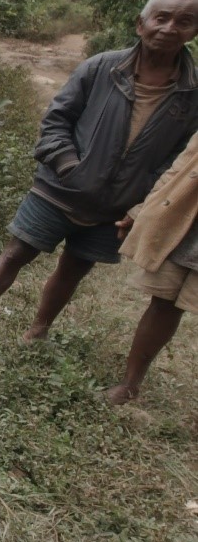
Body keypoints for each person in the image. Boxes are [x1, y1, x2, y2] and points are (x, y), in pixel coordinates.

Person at [0, 0, 198, 340]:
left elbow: (180, 159)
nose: (170, 28)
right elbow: (56, 120)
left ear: (194, 32)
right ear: (141, 25)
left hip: (116, 207)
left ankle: (37, 334)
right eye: (162, 18)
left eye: (184, 22)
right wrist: (69, 167)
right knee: (16, 253)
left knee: (74, 270)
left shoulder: (192, 93)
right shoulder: (101, 67)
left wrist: (143, 201)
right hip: (58, 191)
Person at [107, 130, 198, 404]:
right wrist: (146, 208)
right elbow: (180, 167)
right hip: (186, 224)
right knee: (163, 302)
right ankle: (130, 384)